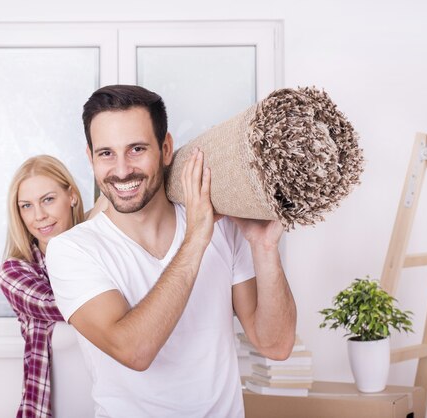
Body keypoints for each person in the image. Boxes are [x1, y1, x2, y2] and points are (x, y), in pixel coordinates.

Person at [45, 85, 297, 417]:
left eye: (136, 149)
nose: (122, 170)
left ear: (166, 149)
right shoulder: (73, 250)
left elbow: (276, 345)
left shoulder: (220, 226)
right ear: (90, 158)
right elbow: (134, 351)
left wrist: (264, 247)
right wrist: (195, 239)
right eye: (106, 153)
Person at [0, 155, 105, 418]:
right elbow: (76, 303)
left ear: (72, 196)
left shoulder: (101, 248)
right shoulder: (15, 273)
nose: (39, 216)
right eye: (26, 206)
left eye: (48, 199)